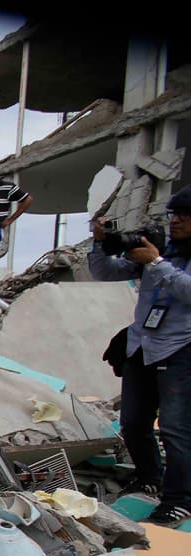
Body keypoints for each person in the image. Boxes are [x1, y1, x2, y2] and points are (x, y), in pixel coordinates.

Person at [87, 186, 191, 526]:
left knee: (176, 429)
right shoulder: (165, 253)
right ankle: (149, 478)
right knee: (133, 422)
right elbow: (105, 273)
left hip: (181, 349)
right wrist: (102, 244)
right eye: (173, 215)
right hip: (142, 346)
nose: (175, 222)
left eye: (183, 217)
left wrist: (156, 263)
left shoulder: (161, 259)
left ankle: (179, 500)